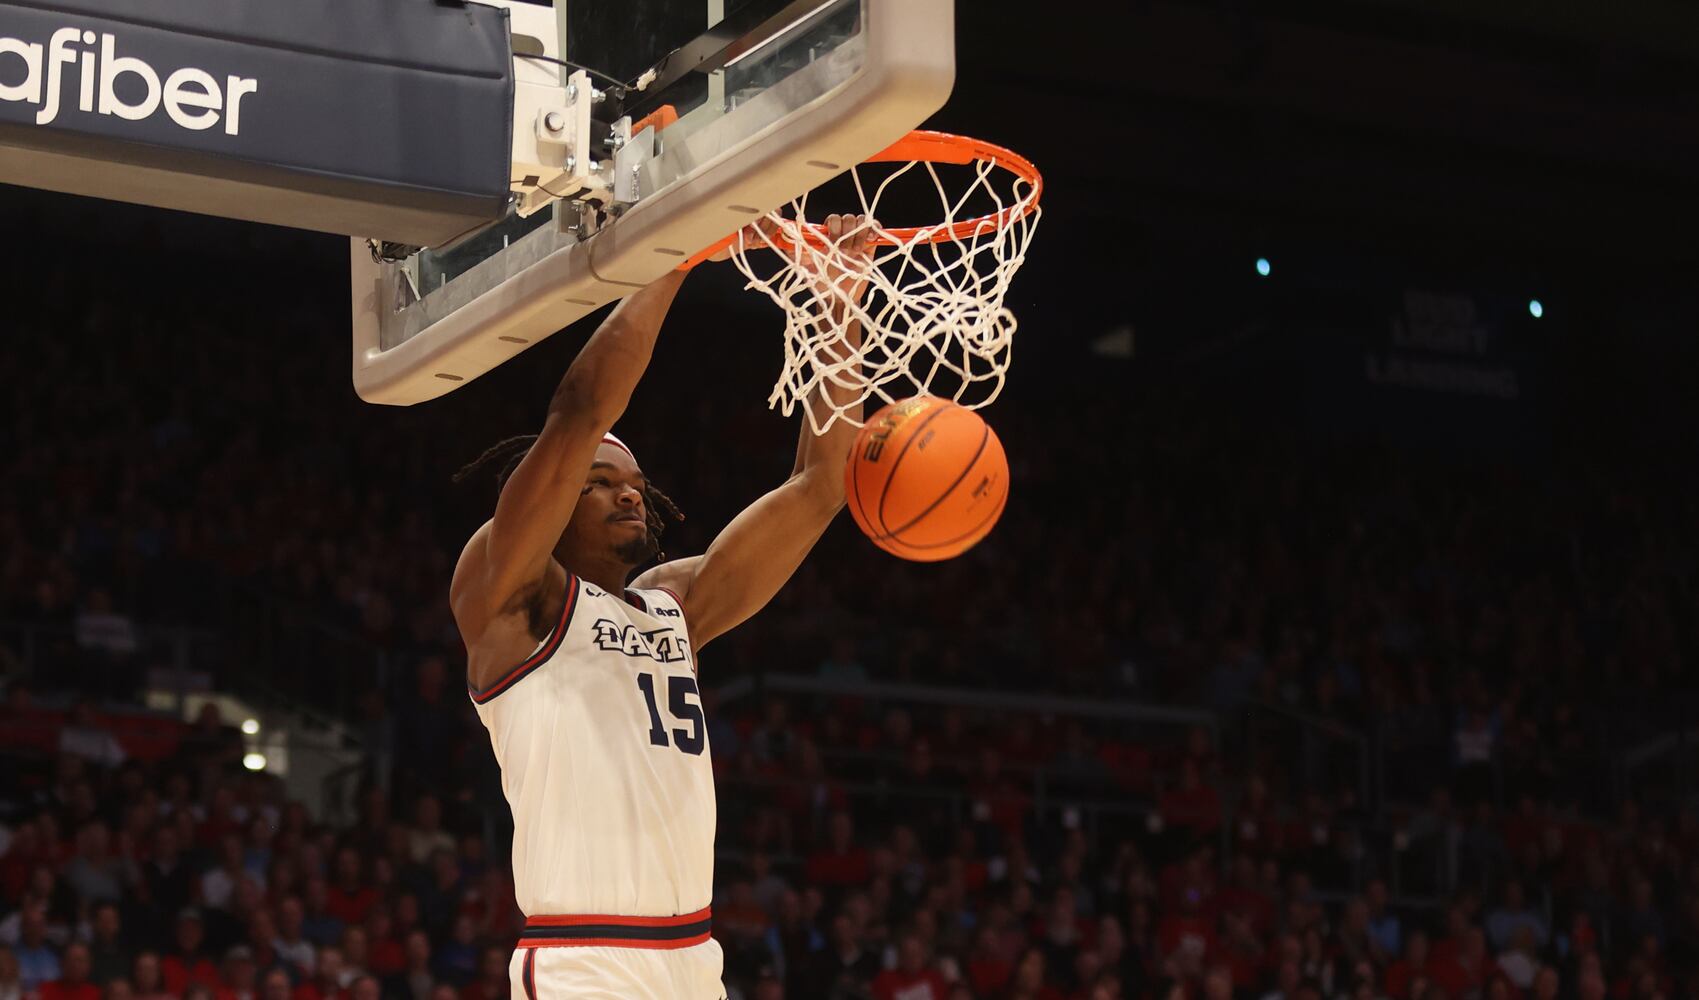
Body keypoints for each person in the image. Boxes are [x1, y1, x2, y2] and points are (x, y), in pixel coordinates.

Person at [450, 217, 876, 999]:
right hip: (583, 959)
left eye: (637, 488)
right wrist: (676, 253)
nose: (628, 495)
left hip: (691, 957)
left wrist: (839, 306)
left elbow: (820, 486)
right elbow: (580, 411)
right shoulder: (511, 598)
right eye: (599, 483)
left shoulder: (674, 607)